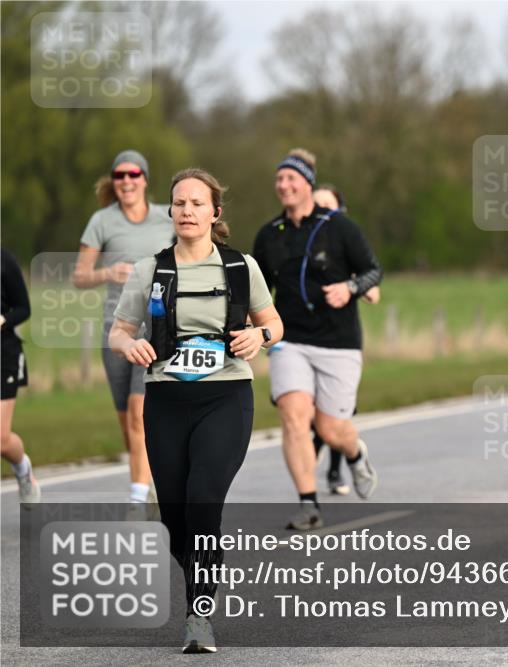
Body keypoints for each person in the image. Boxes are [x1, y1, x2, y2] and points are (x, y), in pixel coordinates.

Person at [109, 168, 282, 653]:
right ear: (172, 211)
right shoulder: (151, 269)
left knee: (204, 499)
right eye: (179, 203)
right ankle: (205, 568)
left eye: (197, 203)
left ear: (215, 213)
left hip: (226, 396)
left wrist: (258, 336)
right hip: (166, 399)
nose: (187, 211)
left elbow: (274, 324)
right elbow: (118, 331)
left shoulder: (240, 267)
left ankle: (198, 617)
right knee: (176, 523)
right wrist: (130, 346)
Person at [254, 149, 381, 531]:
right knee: (294, 417)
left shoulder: (339, 227)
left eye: (291, 178)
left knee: (330, 430)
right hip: (289, 340)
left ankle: (355, 454)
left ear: (307, 183)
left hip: (338, 342)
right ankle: (308, 504)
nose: (284, 185)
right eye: (279, 179)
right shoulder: (269, 235)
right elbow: (258, 291)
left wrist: (350, 287)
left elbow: (373, 272)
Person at [73, 150, 174, 514]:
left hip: (158, 328)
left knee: (138, 413)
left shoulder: (168, 217)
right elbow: (80, 276)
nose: (126, 181)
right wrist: (107, 273)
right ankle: (146, 483)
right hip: (116, 330)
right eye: (119, 175)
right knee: (126, 420)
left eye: (133, 174)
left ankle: (136, 498)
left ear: (145, 179)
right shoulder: (102, 220)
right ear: (114, 182)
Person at [309, 183, 380, 495]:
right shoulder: (301, 245)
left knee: (333, 415)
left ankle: (337, 470)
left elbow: (374, 292)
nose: (322, 212)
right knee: (305, 412)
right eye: (316, 205)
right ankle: (308, 481)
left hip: (339, 342)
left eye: (328, 206)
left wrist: (350, 286)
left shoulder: (347, 244)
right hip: (302, 340)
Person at [1, 248, 41, 506]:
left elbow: (23, 308)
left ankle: (22, 469)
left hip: (4, 355)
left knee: (0, 439)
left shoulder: (4, 260)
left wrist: (3, 319)